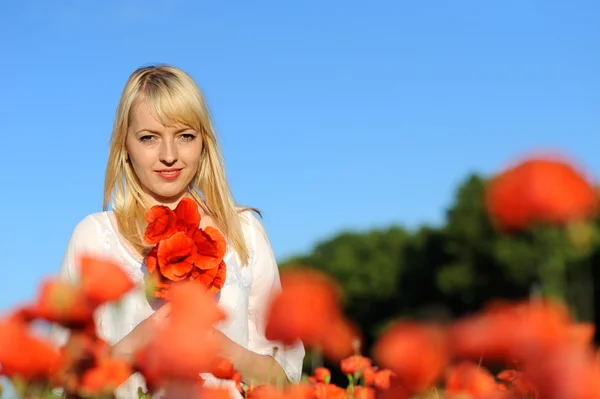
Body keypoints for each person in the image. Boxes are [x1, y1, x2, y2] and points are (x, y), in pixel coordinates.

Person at [50, 64, 305, 398]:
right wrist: (134, 344)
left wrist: (225, 350)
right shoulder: (94, 237)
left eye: (185, 135)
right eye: (149, 138)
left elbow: (287, 379)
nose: (169, 155)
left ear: (204, 143)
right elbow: (62, 383)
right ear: (125, 144)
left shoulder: (244, 231)